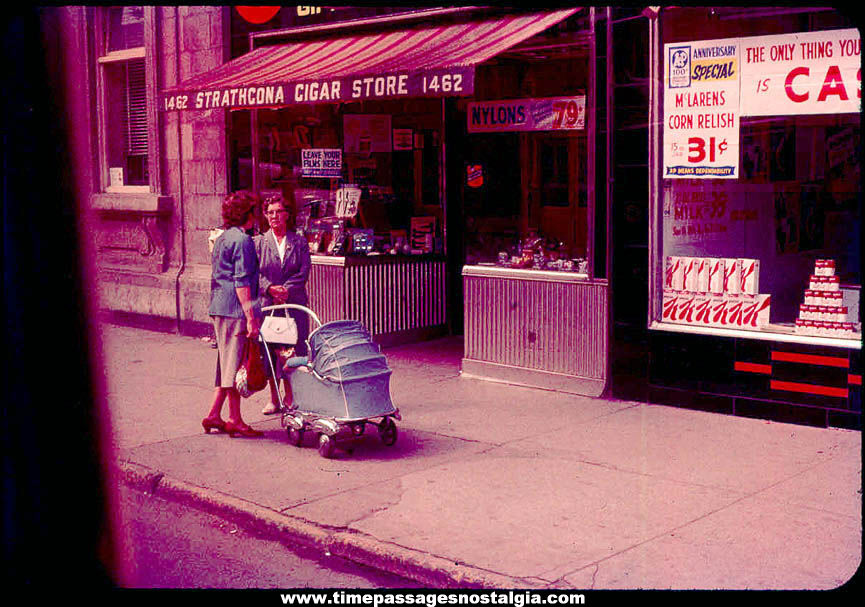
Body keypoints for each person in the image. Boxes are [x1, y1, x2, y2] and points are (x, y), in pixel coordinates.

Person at [202, 191, 264, 438]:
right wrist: (251, 317)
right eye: (253, 210)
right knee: (234, 365)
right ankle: (235, 419)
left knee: (228, 361)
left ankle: (215, 414)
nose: (255, 215)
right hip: (234, 309)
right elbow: (241, 282)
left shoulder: (223, 238)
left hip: (220, 305)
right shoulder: (243, 240)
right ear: (246, 214)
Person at [255, 193, 312, 415]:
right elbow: (254, 273)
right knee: (269, 350)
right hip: (269, 305)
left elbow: (303, 271)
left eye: (278, 211)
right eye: (270, 212)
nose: (274, 216)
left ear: (287, 214)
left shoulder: (299, 242)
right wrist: (270, 288)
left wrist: (286, 290)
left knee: (291, 351)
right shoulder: (258, 243)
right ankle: (273, 398)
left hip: (293, 303)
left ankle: (291, 396)